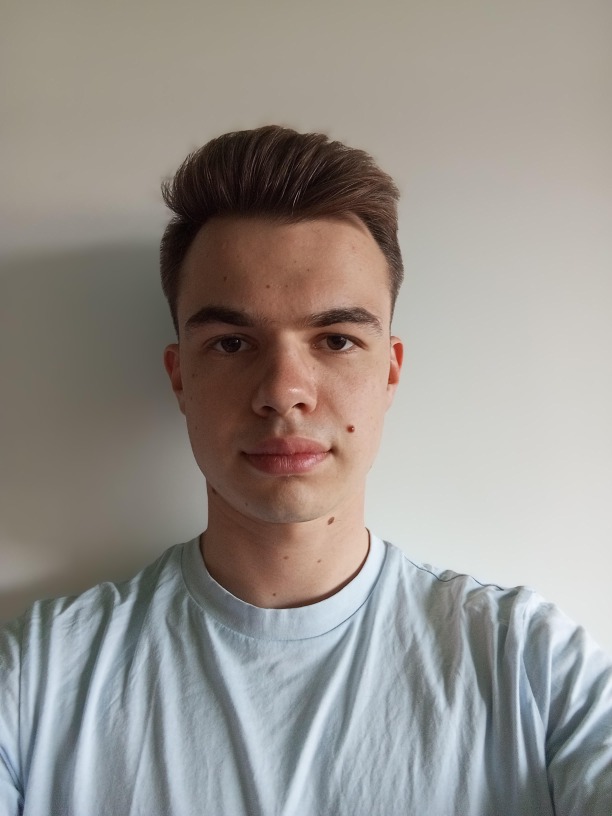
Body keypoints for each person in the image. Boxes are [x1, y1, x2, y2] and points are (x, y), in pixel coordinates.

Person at [1, 126, 611, 815]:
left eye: (336, 340)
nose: (283, 391)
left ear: (389, 371)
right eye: (232, 343)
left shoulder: (532, 666)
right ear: (179, 377)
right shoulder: (37, 678)